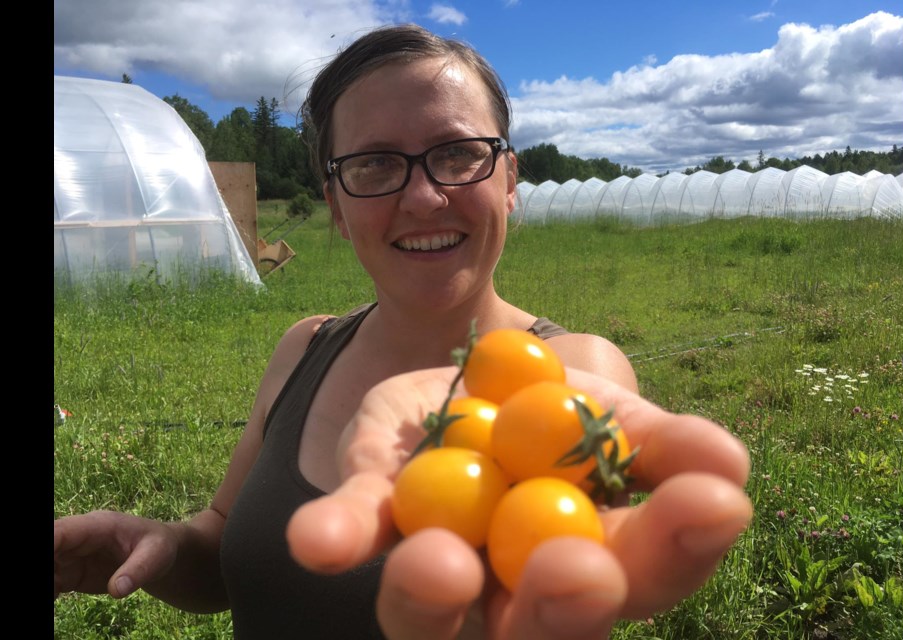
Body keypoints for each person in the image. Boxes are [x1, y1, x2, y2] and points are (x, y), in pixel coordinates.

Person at [53, 24, 753, 639]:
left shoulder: (565, 368)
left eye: (458, 153)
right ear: (334, 202)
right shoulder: (305, 347)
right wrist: (167, 548)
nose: (422, 196)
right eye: (375, 164)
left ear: (509, 179)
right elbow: (226, 550)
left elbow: (558, 580)